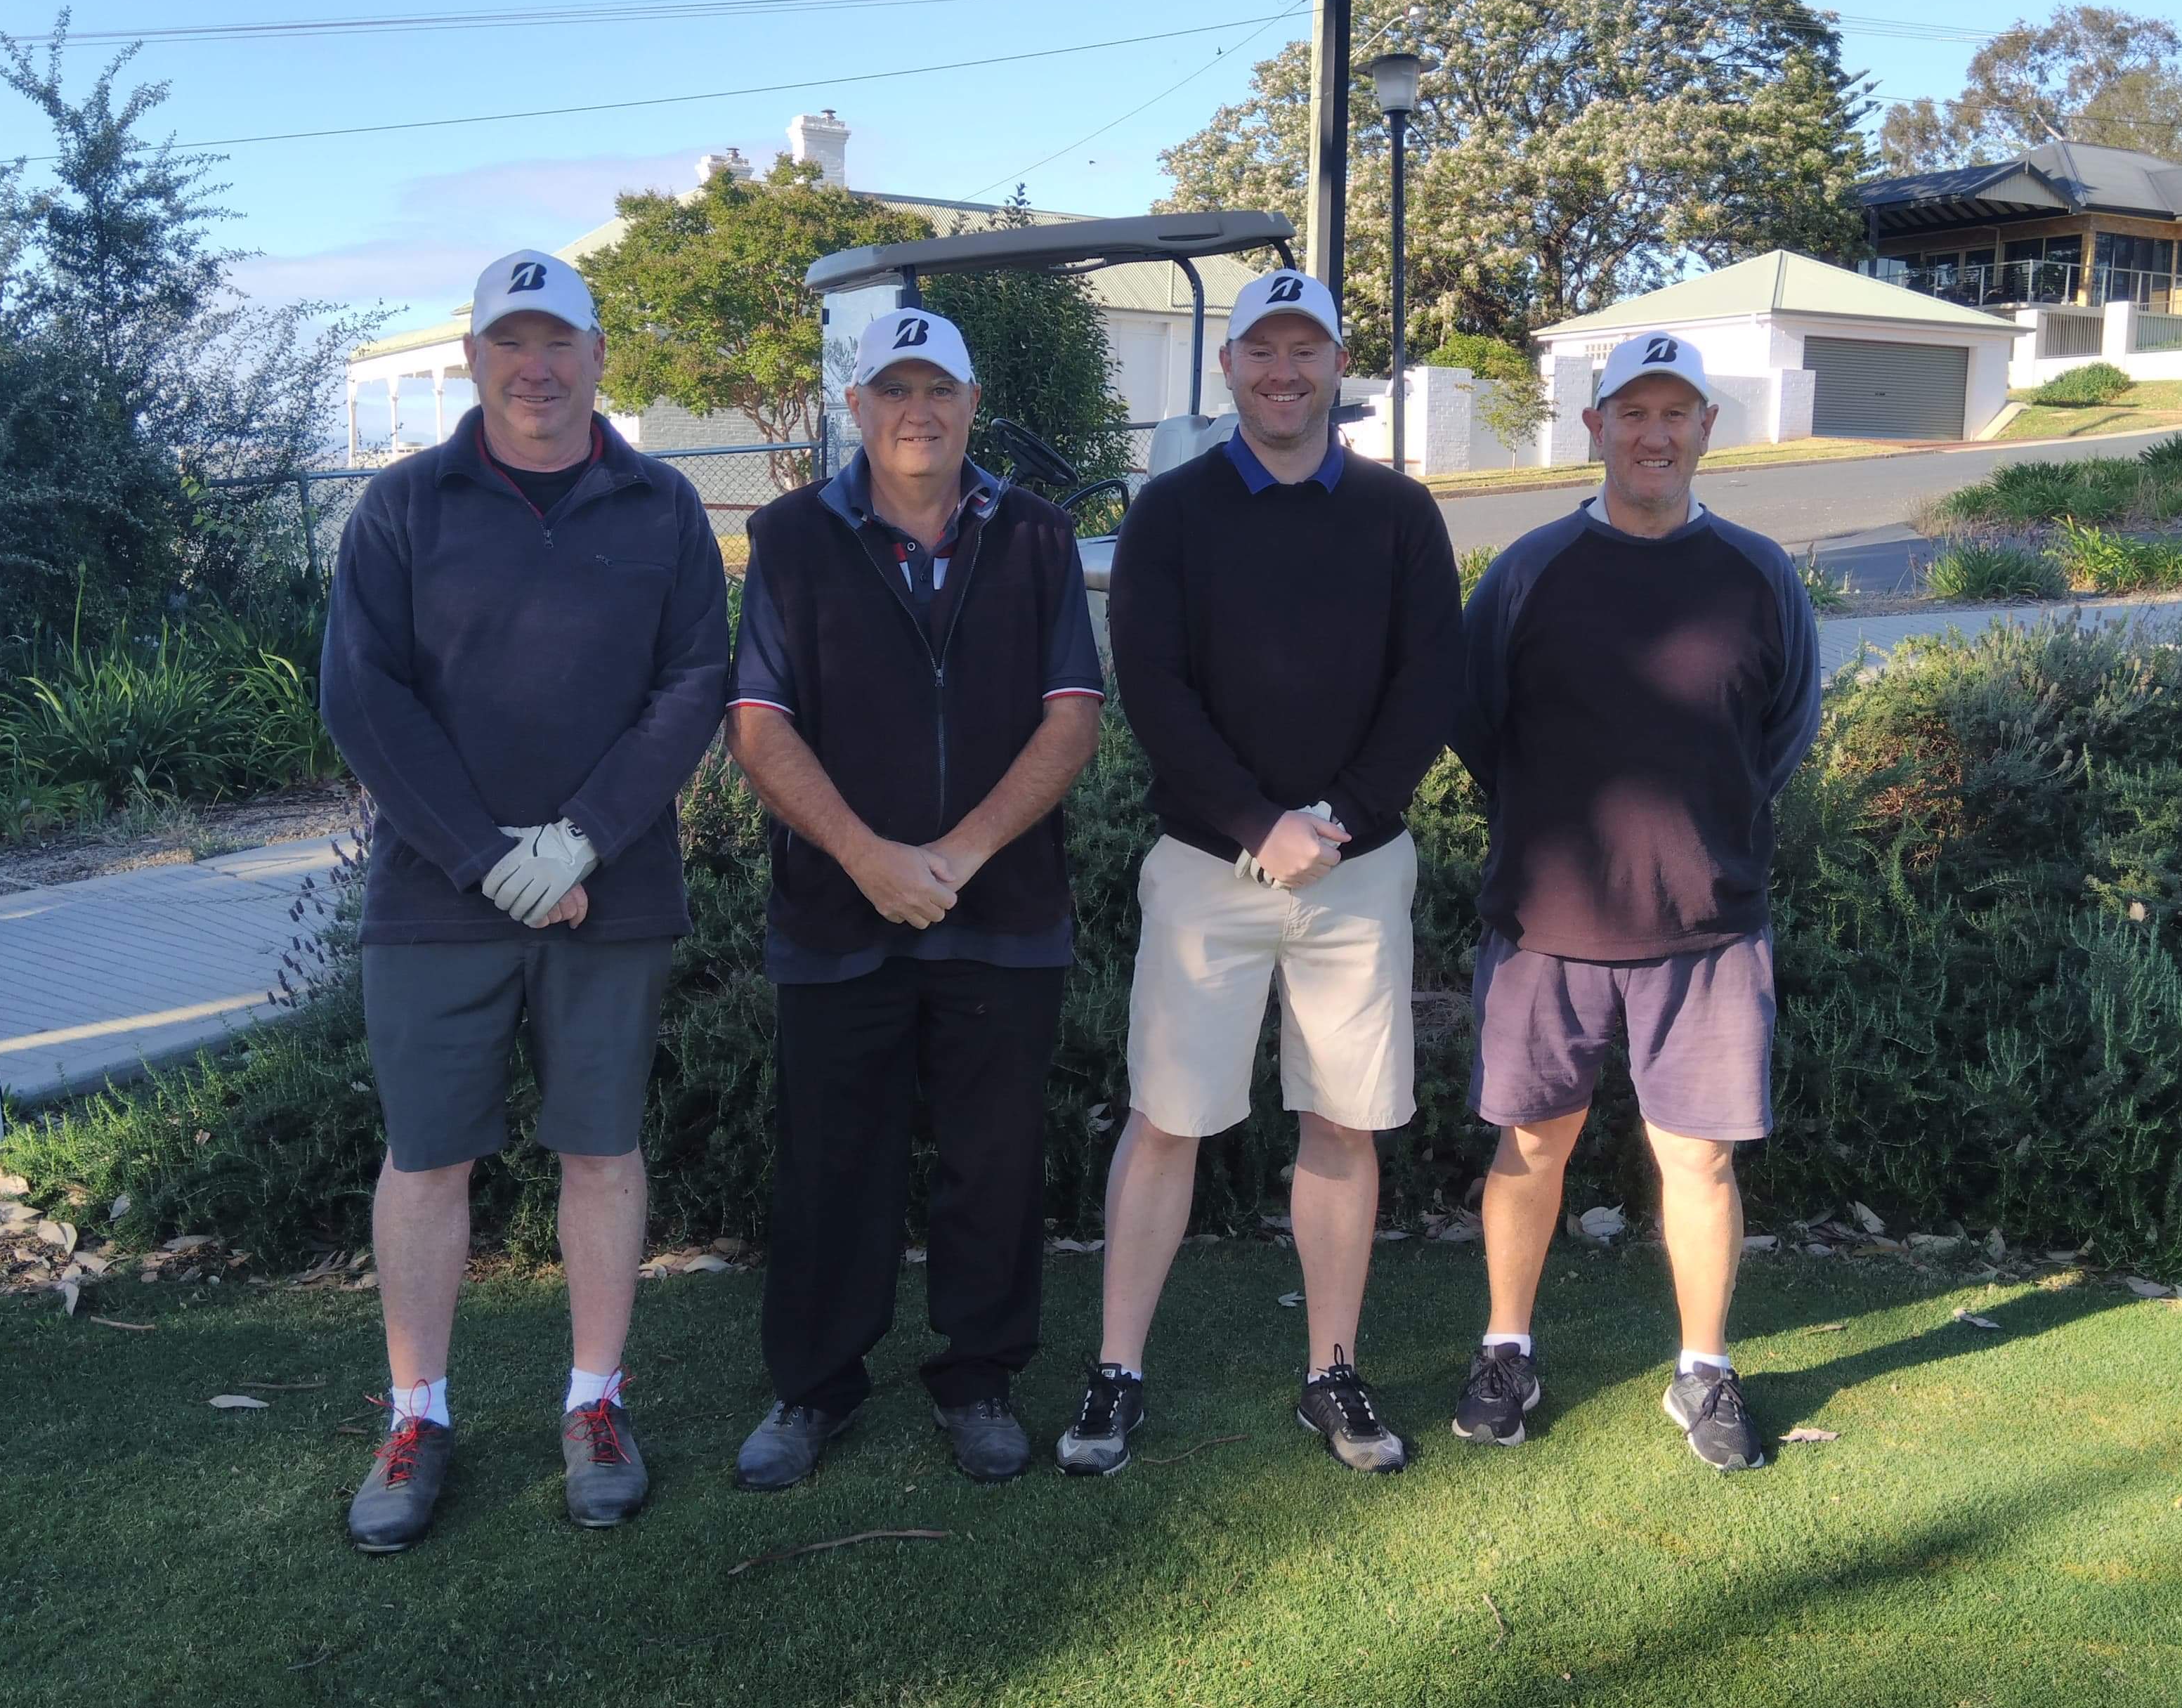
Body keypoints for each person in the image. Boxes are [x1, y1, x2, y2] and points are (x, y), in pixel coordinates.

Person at [320, 248, 731, 1551]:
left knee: (601, 1148)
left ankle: (595, 1402)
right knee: (427, 1156)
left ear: (601, 357)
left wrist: (585, 841)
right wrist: (484, 854)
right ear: (478, 360)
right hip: (437, 899)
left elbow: (694, 685)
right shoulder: (399, 508)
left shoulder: (663, 506)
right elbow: (362, 697)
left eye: (560, 343)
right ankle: (416, 1414)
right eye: (512, 343)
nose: (536, 367)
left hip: (609, 894)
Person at [1061, 269, 1461, 1478]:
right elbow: (1154, 688)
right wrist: (1256, 821)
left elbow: (1426, 683)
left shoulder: (1400, 513)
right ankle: (1116, 1374)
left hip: (1354, 869)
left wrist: (1333, 819)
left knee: (1343, 1121)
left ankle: (1332, 1372)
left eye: (1308, 351)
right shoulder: (1173, 511)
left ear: (1339, 369)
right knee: (1166, 1122)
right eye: (1262, 351)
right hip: (1206, 869)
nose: (1285, 371)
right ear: (1227, 368)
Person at [724, 306, 1104, 1490]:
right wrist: (870, 857)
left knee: (994, 1162)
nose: (918, 411)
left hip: (1002, 911)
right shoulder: (790, 536)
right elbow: (758, 723)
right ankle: (815, 1387)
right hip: (840, 913)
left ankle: (980, 1378)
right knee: (834, 1161)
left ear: (973, 405)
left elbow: (1073, 717)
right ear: (858, 409)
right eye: (893, 390)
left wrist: (959, 855)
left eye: (939, 389)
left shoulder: (1036, 535)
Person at [1445, 329, 1821, 1472]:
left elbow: (1785, 730)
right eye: (1633, 413)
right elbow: (1477, 725)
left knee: (1700, 1162)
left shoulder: (1759, 573)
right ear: (1594, 425)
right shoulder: (1528, 569)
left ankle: (1703, 1370)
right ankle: (1508, 1348)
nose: (1654, 435)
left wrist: (1694, 840)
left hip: (1708, 931)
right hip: (1546, 926)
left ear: (1708, 429)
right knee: (1528, 1146)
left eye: (1678, 415)